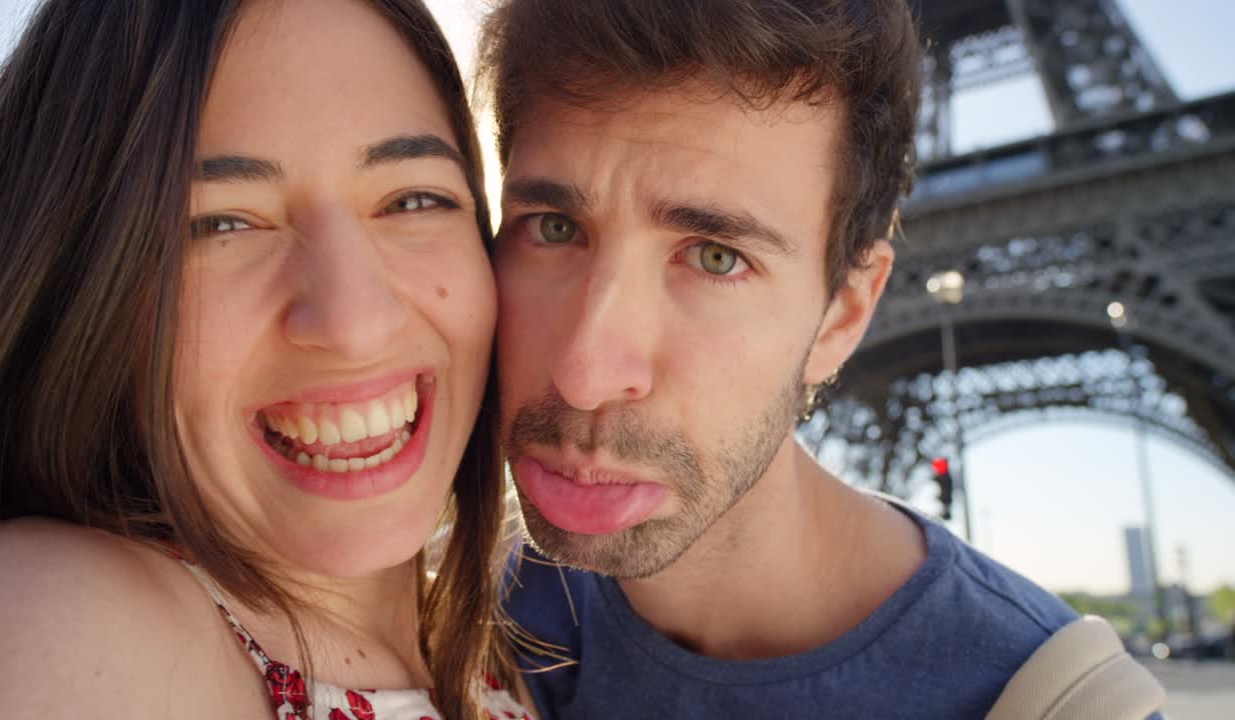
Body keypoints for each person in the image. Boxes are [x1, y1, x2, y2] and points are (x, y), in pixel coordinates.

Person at [478, 1, 1161, 717]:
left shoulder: (1058, 701)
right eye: (553, 228)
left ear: (845, 312)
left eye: (716, 258)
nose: (583, 374)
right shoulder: (445, 614)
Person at [0, 1, 528, 718]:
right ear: (78, 281)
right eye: (223, 223)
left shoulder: (508, 650)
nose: (356, 323)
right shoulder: (56, 627)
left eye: (413, 199)